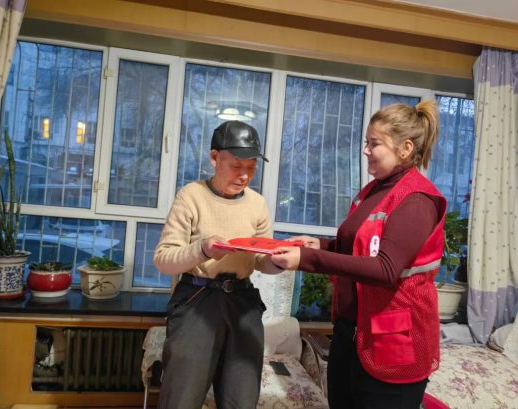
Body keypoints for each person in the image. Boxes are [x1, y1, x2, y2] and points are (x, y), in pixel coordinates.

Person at [271, 100, 447, 409]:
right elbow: (360, 248)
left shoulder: (417, 200)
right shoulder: (374, 191)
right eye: (366, 142)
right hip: (350, 332)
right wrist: (317, 246)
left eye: (374, 143)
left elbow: (386, 269)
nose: (365, 150)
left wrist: (307, 260)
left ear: (405, 149)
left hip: (393, 334)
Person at [154, 120, 282, 409]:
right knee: (181, 399)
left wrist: (280, 261)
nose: (244, 175)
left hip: (243, 302)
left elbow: (261, 260)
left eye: (251, 168)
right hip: (197, 300)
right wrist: (203, 249)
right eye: (236, 166)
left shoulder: (257, 204)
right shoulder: (191, 196)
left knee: (242, 400)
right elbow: (163, 259)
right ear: (215, 158)